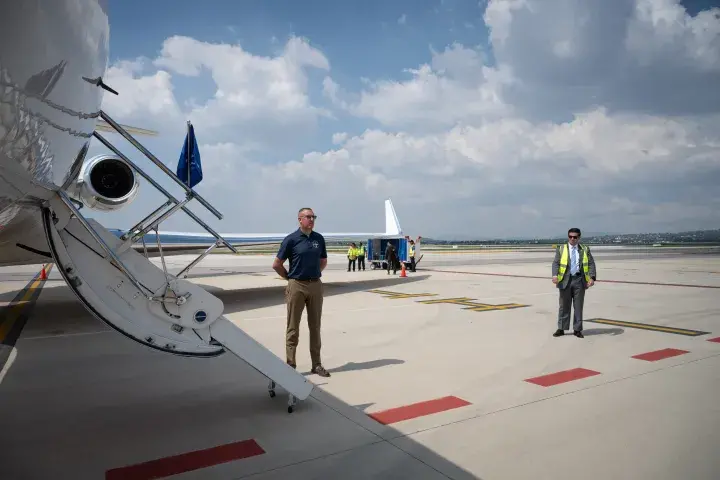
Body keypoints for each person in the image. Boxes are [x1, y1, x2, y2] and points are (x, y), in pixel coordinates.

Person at [272, 207, 331, 377]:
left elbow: (323, 260)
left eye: (313, 217)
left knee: (315, 326)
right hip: (296, 285)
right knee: (293, 327)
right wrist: (290, 279)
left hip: (315, 286)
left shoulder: (318, 239)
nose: (312, 220)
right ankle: (291, 364)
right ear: (300, 219)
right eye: (308, 217)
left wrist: (314, 274)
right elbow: (277, 264)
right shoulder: (291, 239)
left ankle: (317, 364)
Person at [551, 228, 596, 338]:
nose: (572, 239)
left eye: (575, 237)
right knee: (564, 306)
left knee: (578, 306)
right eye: (570, 236)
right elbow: (556, 263)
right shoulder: (561, 249)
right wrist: (555, 275)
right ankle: (561, 328)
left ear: (579, 238)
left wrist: (592, 278)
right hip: (565, 280)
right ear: (568, 237)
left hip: (579, 280)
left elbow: (591, 263)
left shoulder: (585, 249)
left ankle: (577, 329)